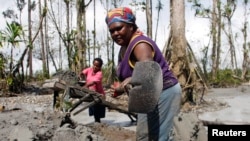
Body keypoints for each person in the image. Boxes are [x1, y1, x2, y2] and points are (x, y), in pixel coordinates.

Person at [106, 7, 182, 141]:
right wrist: (121, 88)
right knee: (145, 136)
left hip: (164, 91)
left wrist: (132, 79)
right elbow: (132, 77)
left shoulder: (139, 44)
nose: (116, 33)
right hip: (147, 95)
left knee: (160, 136)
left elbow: (148, 70)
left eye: (119, 28)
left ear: (131, 26)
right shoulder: (124, 47)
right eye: (112, 31)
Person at [80, 58, 106, 123]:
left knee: (97, 113)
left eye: (97, 66)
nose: (95, 67)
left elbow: (93, 82)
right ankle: (96, 124)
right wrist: (81, 75)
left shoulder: (99, 73)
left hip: (98, 94)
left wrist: (85, 86)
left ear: (100, 67)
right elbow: (82, 73)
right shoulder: (89, 69)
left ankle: (98, 125)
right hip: (91, 93)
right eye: (94, 65)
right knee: (94, 111)